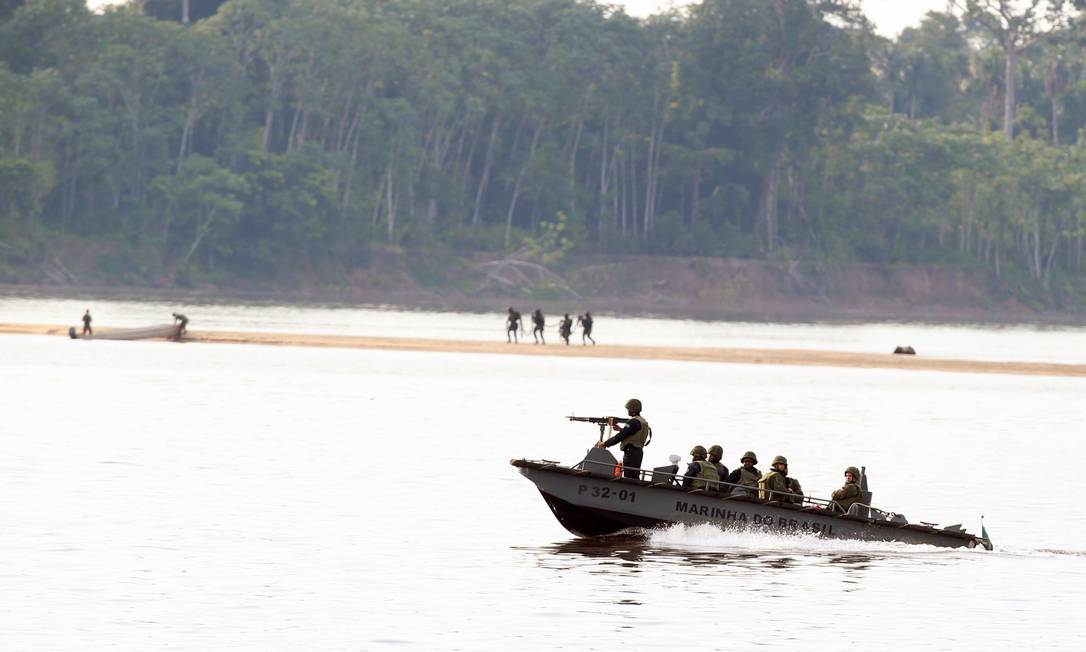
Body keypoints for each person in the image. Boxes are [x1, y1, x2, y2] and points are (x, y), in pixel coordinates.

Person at [595, 398, 651, 480]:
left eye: (629, 409)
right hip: (638, 452)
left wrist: (605, 444)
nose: (628, 411)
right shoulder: (642, 421)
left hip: (630, 452)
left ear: (633, 410)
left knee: (629, 477)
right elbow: (631, 433)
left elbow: (621, 436)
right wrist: (620, 429)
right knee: (634, 476)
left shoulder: (633, 422)